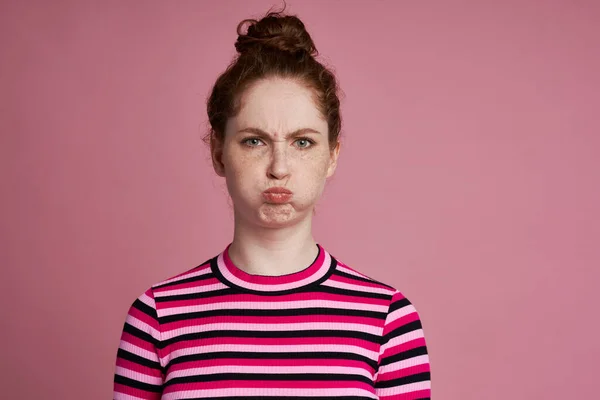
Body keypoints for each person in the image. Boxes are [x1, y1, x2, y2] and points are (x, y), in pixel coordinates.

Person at [113, 9, 431, 400]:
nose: (279, 168)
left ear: (331, 155)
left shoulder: (388, 320)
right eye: (254, 140)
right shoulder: (156, 317)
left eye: (303, 142)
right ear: (218, 152)